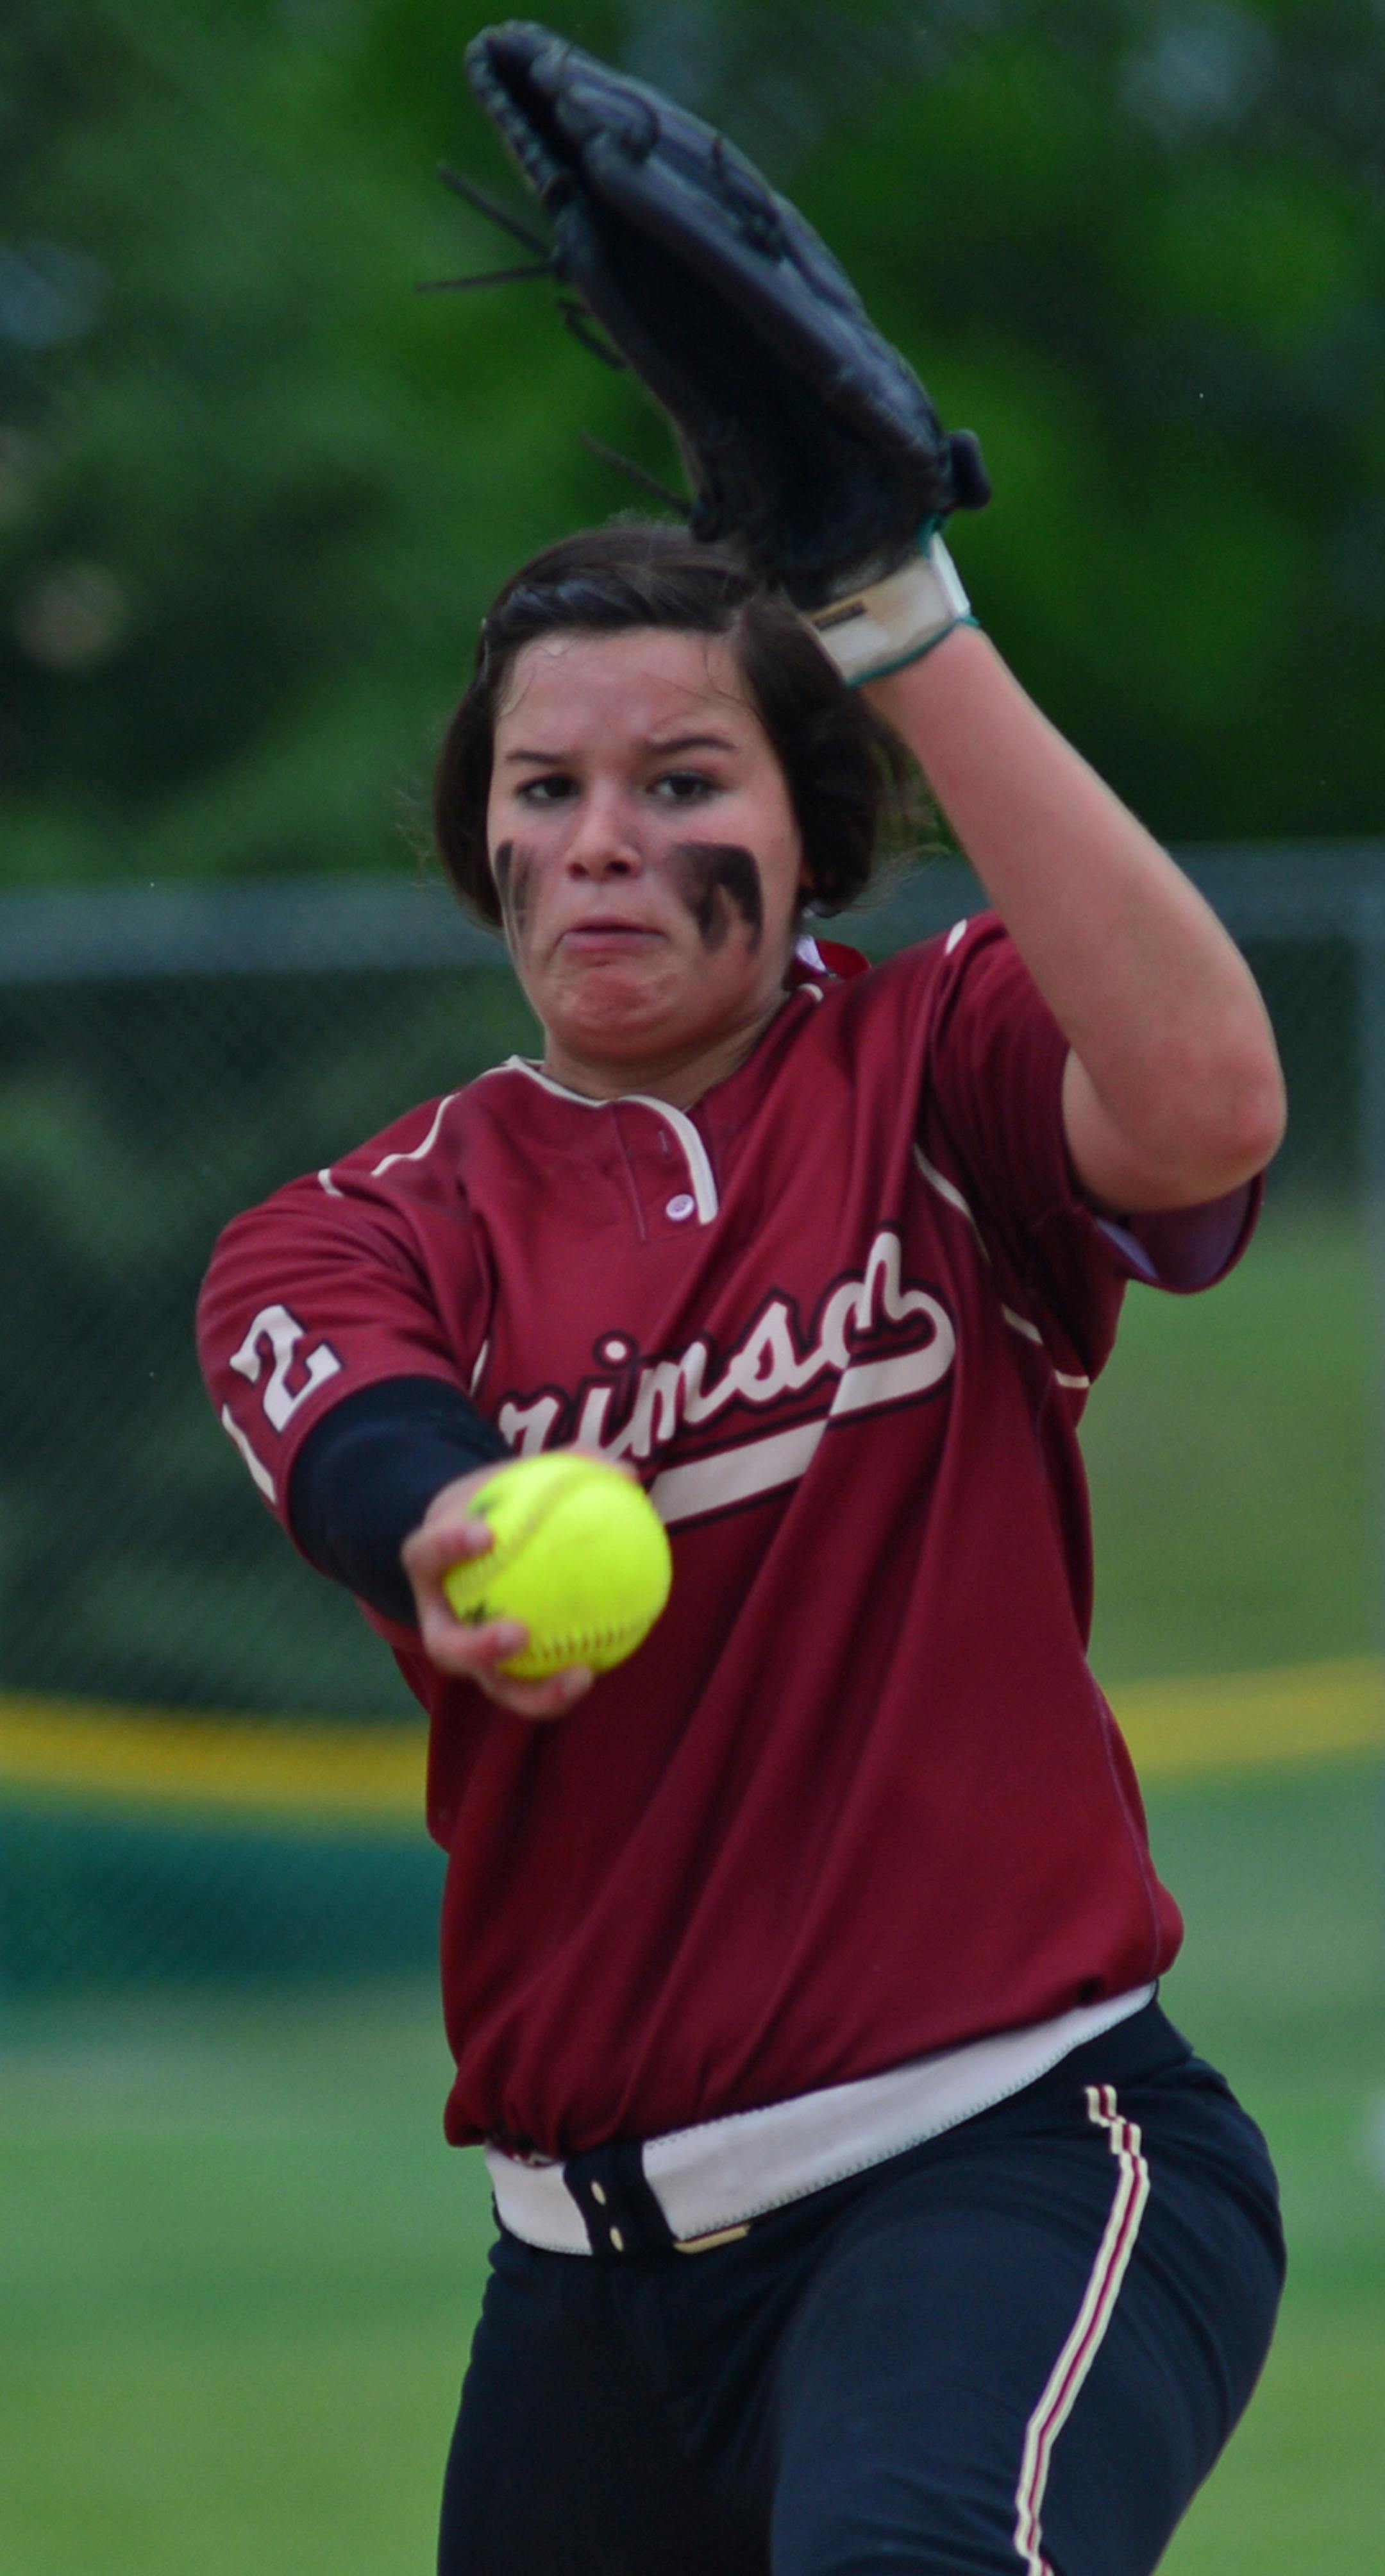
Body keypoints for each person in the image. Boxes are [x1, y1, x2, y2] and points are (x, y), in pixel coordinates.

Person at [198, 513, 1287, 2576]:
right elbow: (361, 1424)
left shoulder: (933, 1068)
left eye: (682, 781)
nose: (604, 838)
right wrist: (444, 1522)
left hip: (1006, 2165)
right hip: (582, 2298)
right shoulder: (360, 1225)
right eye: (548, 789)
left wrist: (904, 618)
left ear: (809, 841)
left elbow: (1213, 1107)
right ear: (486, 846)